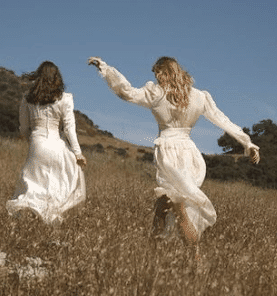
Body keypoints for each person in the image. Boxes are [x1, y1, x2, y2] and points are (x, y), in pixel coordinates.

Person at [88, 56, 260, 249]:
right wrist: (248, 142)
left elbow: (127, 92)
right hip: (189, 153)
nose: (156, 77)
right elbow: (222, 120)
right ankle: (157, 252)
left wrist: (105, 68)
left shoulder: (157, 93)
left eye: (158, 73)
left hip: (168, 151)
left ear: (166, 72)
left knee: (178, 208)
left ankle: (191, 257)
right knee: (162, 205)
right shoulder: (199, 97)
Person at [7, 61, 87, 225]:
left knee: (34, 183)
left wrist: (30, 139)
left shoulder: (27, 99)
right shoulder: (65, 98)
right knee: (58, 183)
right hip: (56, 144)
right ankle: (50, 219)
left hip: (37, 144)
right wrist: (78, 153)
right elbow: (69, 129)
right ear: (57, 78)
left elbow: (23, 128)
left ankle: (31, 215)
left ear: (38, 77)